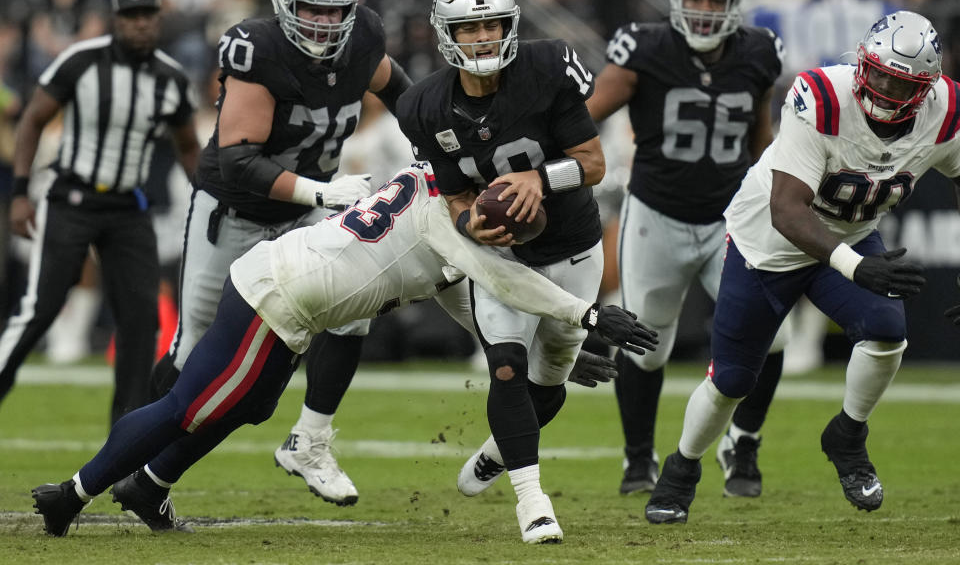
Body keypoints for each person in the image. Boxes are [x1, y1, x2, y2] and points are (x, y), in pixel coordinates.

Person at [29, 162, 658, 538]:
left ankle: (148, 486)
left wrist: (563, 358)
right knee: (188, 406)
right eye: (493, 219)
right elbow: (503, 281)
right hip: (278, 295)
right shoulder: (446, 219)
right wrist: (592, 313)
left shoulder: (434, 198)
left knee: (247, 407)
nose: (494, 229)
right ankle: (72, 495)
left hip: (288, 293)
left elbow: (465, 301)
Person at [644, 10, 957, 524]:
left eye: (901, 83)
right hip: (767, 245)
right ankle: (682, 469)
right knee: (732, 381)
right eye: (877, 72)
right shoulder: (822, 96)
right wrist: (857, 268)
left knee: (886, 330)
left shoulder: (947, 111)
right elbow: (788, 210)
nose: (883, 88)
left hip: (848, 235)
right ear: (861, 61)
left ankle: (848, 436)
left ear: (927, 89)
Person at [147, 0, 411, 507]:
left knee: (354, 312)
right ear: (284, 5)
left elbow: (397, 90)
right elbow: (239, 160)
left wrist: (438, 140)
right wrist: (322, 190)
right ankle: (139, 465)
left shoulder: (363, 37)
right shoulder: (256, 48)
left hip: (309, 214)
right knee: (193, 348)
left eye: (333, 10)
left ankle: (310, 440)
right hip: (233, 211)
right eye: (311, 10)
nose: (323, 21)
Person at [397, 0, 610, 544]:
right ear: (447, 34)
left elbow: (593, 163)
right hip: (501, 259)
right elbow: (454, 191)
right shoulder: (423, 105)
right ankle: (532, 502)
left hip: (571, 246)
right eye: (469, 27)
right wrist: (470, 222)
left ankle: (497, 453)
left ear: (510, 24)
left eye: (491, 22)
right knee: (508, 366)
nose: (483, 36)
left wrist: (541, 179)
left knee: (548, 379)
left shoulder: (545, 69)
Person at [586, 0, 785, 498]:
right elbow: (585, 116)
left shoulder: (760, 52)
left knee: (770, 337)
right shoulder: (643, 48)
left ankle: (743, 442)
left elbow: (760, 137)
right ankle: (637, 459)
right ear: (675, 0)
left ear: (734, 5)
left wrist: (776, 195)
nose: (702, 8)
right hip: (657, 214)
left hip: (732, 219)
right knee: (646, 343)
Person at [0, 0, 199, 424]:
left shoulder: (170, 78)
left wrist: (206, 198)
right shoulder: (82, 61)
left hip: (129, 206)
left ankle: (123, 438)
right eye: (131, 16)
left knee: (140, 322)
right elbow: (33, 120)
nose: (140, 24)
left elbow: (188, 145)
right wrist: (19, 193)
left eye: (147, 15)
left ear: (158, 19)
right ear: (116, 20)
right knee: (40, 308)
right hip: (71, 197)